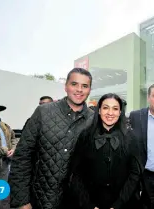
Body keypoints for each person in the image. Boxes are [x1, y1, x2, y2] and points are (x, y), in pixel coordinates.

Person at [9, 68, 94, 209]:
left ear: (89, 90)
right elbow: (22, 156)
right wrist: (21, 201)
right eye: (74, 84)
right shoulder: (43, 112)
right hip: (40, 199)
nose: (79, 89)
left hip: (76, 201)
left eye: (84, 86)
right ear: (65, 86)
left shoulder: (93, 120)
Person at [67, 93, 142, 209]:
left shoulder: (130, 137)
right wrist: (89, 205)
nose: (110, 113)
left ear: (120, 112)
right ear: (99, 110)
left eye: (115, 109)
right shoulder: (85, 136)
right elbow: (76, 173)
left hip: (124, 204)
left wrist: (118, 205)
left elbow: (135, 174)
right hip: (91, 203)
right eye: (106, 108)